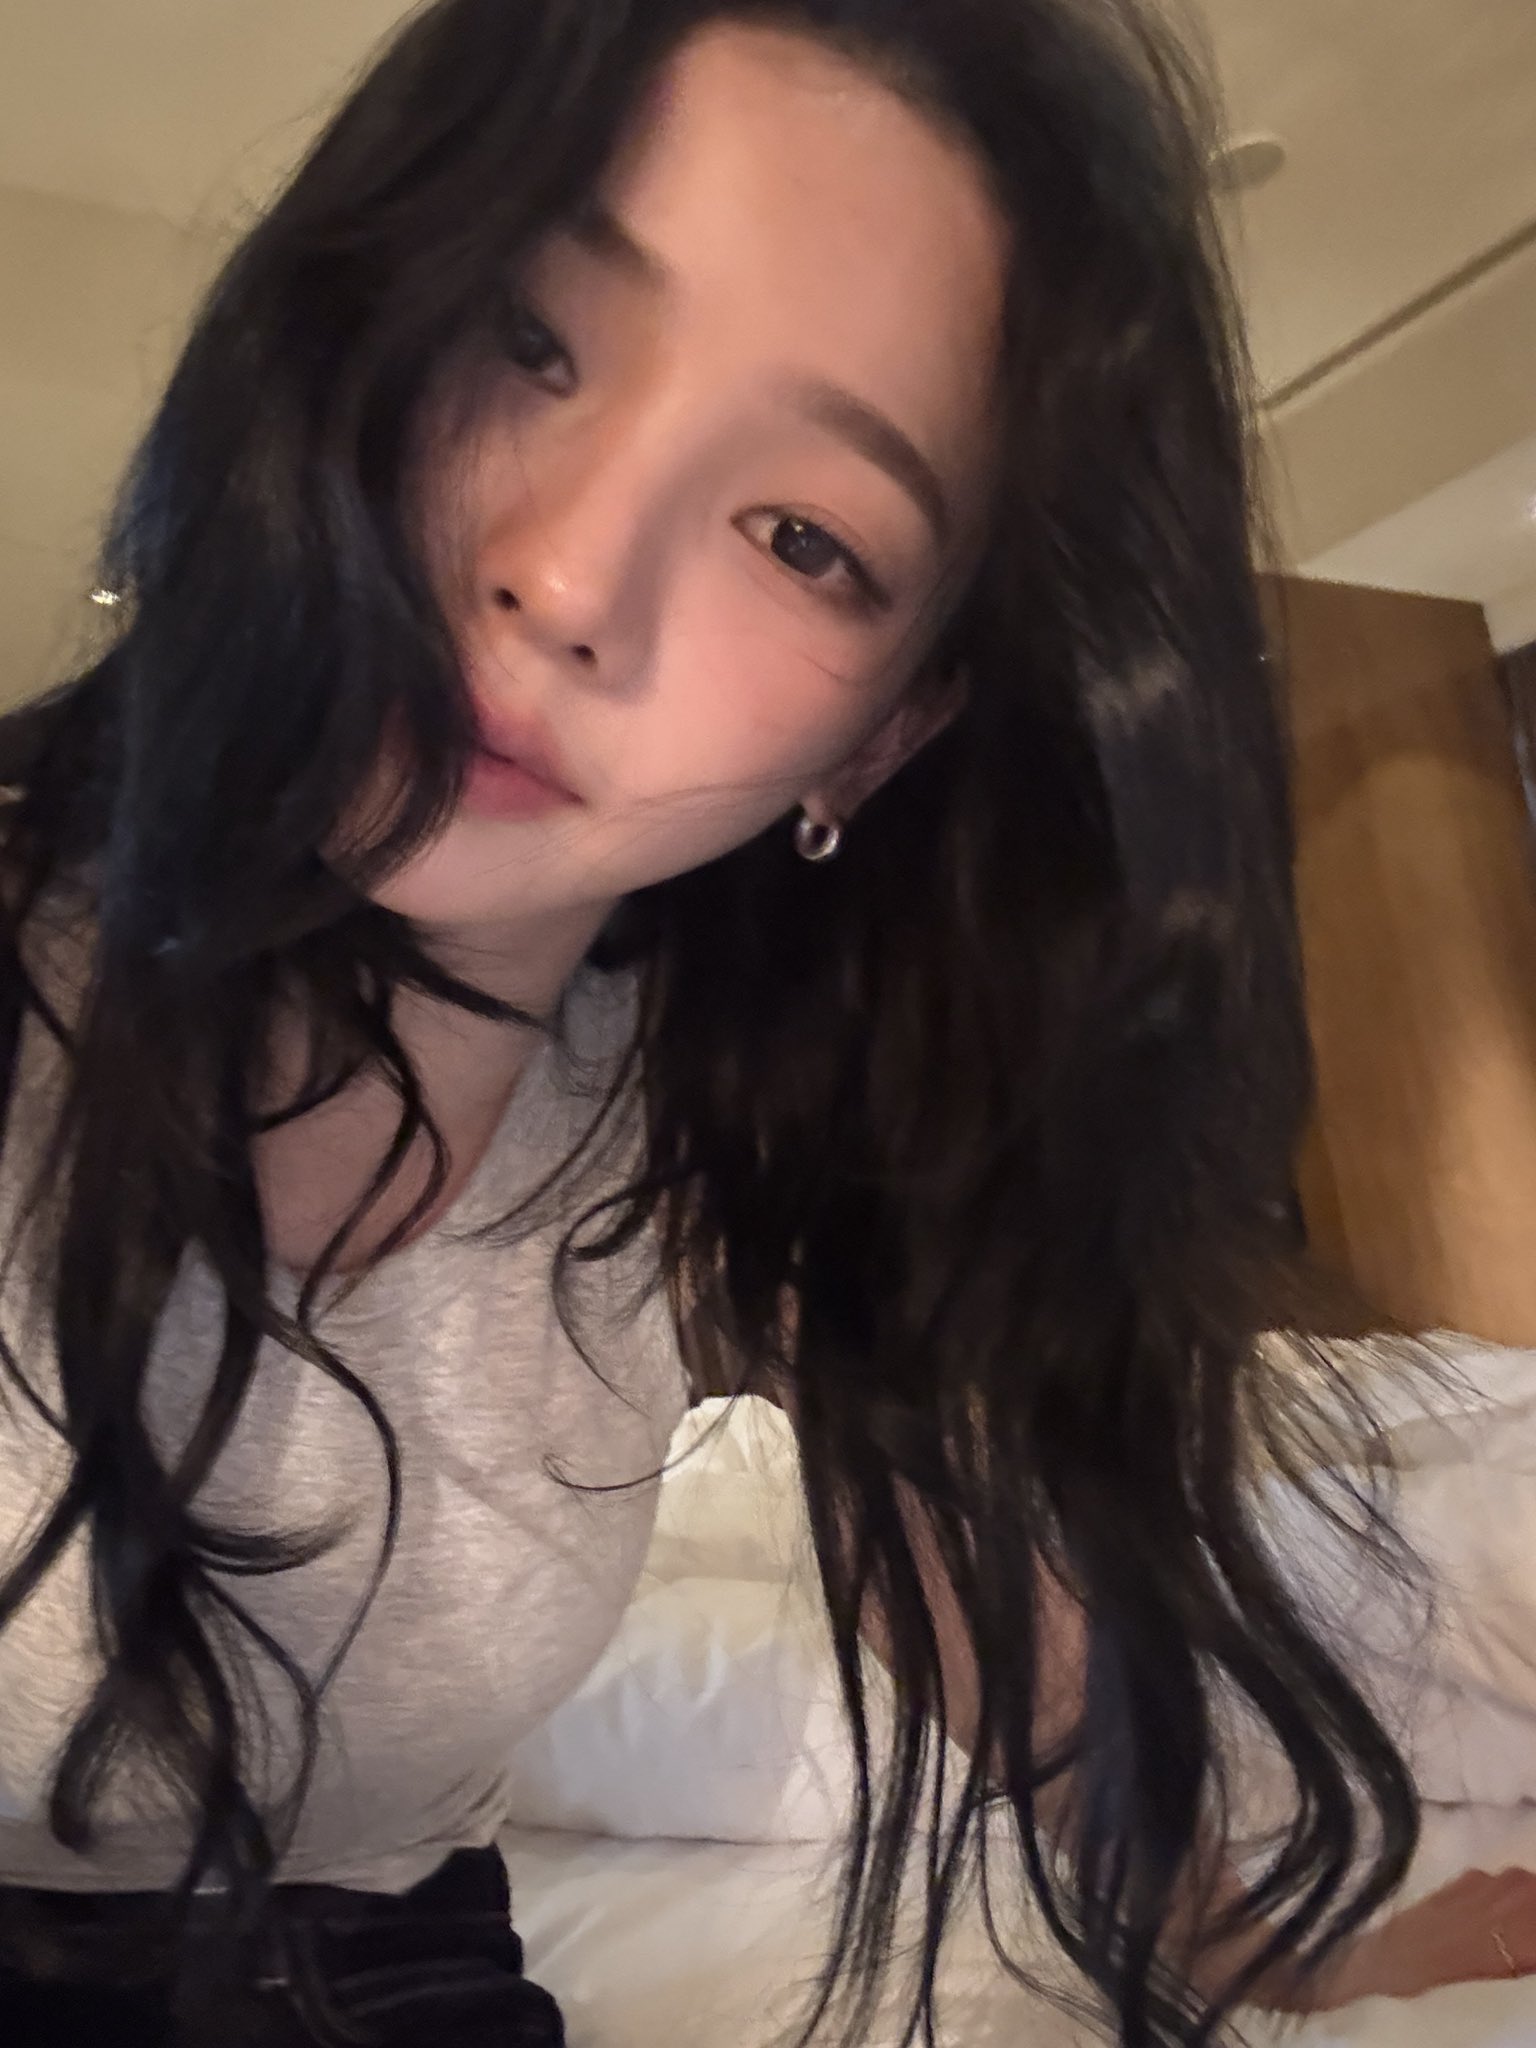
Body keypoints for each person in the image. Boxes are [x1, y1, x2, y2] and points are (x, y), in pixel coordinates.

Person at [1, 1, 1533, 2042]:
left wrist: (1274, 1954)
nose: (568, 580)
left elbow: (1010, 1634)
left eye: (806, 538)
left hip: (369, 1962)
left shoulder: (700, 1109)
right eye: (528, 339)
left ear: (879, 734)